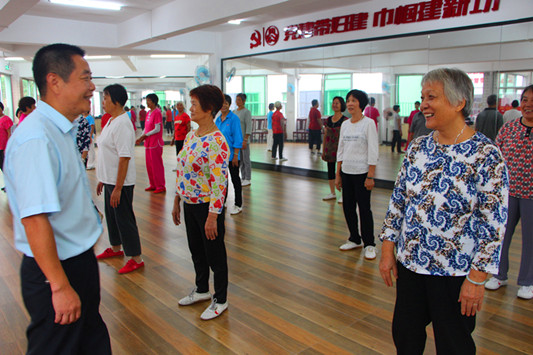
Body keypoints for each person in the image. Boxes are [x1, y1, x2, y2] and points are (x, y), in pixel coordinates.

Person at [379, 68, 509, 355]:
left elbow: (493, 223)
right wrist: (388, 247)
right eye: (422, 96)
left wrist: (477, 279)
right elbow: (399, 200)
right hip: (411, 264)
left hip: (455, 272)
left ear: (459, 102)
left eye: (432, 96)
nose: (423, 104)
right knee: (406, 335)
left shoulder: (486, 155)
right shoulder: (418, 147)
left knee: (454, 344)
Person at [4, 43, 111, 354]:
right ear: (55, 81)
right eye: (85, 78)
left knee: (90, 342)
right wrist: (60, 285)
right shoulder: (36, 138)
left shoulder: (60, 129)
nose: (92, 87)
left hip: (76, 261)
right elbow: (34, 218)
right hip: (57, 269)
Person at [172, 84, 230, 320]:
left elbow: (219, 182)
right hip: (189, 203)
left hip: (207, 207)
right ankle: (202, 290)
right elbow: (182, 169)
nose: (190, 108)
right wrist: (177, 199)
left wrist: (213, 215)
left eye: (194, 104)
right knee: (196, 250)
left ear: (208, 108)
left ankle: (221, 299)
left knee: (215, 254)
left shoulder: (216, 141)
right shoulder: (191, 135)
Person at [485, 85, 533, 299]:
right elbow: (496, 157)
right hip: (508, 192)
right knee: (502, 236)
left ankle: (527, 281)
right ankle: (499, 274)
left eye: (532, 100)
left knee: (530, 239)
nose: (528, 104)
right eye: (525, 99)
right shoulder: (509, 128)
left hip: (531, 195)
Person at [95, 84, 144, 274]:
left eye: (105, 98)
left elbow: (124, 158)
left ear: (116, 101)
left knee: (124, 218)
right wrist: (103, 179)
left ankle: (136, 258)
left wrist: (117, 187)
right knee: (112, 216)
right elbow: (109, 153)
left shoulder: (123, 123)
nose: (103, 102)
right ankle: (116, 248)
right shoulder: (110, 121)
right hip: (109, 180)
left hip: (120, 183)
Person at [336, 90, 379, 260]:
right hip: (346, 172)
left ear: (361, 103)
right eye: (348, 100)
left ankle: (369, 244)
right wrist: (338, 174)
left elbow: (373, 150)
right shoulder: (345, 124)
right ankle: (355, 238)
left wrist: (370, 175)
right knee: (348, 207)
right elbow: (341, 150)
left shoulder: (368, 123)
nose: (350, 103)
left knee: (364, 209)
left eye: (353, 100)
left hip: (362, 174)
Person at [216, 94, 243, 215]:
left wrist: (236, 155)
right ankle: (224, 201)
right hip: (220, 156)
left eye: (226, 103)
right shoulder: (218, 119)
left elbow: (238, 137)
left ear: (229, 104)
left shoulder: (234, 119)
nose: (223, 105)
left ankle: (238, 204)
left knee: (235, 180)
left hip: (233, 156)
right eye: (221, 103)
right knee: (222, 180)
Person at [136, 93, 166, 193]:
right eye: (146, 100)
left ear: (153, 101)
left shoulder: (157, 112)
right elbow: (146, 127)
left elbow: (157, 129)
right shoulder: (149, 112)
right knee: (149, 165)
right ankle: (153, 184)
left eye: (148, 100)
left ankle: (160, 186)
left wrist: (146, 135)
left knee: (156, 164)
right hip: (148, 142)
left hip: (155, 143)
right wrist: (141, 136)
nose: (147, 102)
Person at [321, 96, 347, 201]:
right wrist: (323, 149)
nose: (334, 105)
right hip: (329, 149)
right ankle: (332, 193)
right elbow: (326, 134)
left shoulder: (345, 120)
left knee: (341, 172)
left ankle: (343, 194)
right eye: (333, 103)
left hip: (341, 149)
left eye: (337, 103)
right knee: (330, 170)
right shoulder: (328, 120)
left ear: (342, 105)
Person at [234, 93, 252, 186]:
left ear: (244, 101)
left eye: (239, 100)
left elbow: (249, 127)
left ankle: (248, 178)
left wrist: (245, 140)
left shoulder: (246, 112)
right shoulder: (234, 112)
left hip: (244, 141)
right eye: (236, 99)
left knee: (246, 160)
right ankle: (243, 177)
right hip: (237, 141)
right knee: (240, 160)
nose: (237, 101)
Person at [170, 101, 191, 167]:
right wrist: (173, 138)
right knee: (178, 153)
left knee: (184, 153)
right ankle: (179, 166)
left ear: (183, 106)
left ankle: (185, 166)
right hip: (177, 138)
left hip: (183, 138)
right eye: (178, 105)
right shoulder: (176, 117)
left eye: (180, 105)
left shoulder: (186, 116)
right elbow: (175, 129)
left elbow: (188, 127)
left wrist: (187, 138)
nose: (179, 106)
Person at [0, 101, 13, 192]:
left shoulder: (6, 119)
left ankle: (11, 185)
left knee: (6, 167)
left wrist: (8, 146)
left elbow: (9, 132)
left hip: (4, 147)